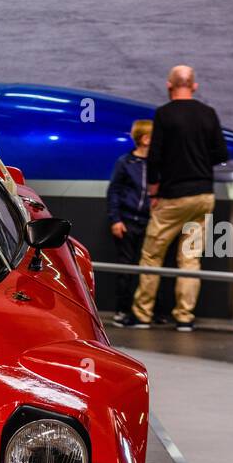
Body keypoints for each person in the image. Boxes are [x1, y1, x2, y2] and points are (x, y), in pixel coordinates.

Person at [130, 65, 230, 332]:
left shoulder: (164, 115)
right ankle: (184, 318)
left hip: (172, 197)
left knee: (152, 256)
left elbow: (156, 156)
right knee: (190, 258)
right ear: (194, 86)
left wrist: (153, 190)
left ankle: (143, 315)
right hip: (204, 195)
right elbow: (221, 153)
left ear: (169, 85)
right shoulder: (208, 114)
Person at [105, 119, 153, 327]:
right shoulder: (125, 163)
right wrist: (115, 219)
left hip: (149, 222)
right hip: (127, 222)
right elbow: (114, 191)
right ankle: (122, 310)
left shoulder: (156, 164)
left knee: (149, 268)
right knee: (126, 268)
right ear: (145, 139)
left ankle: (145, 311)